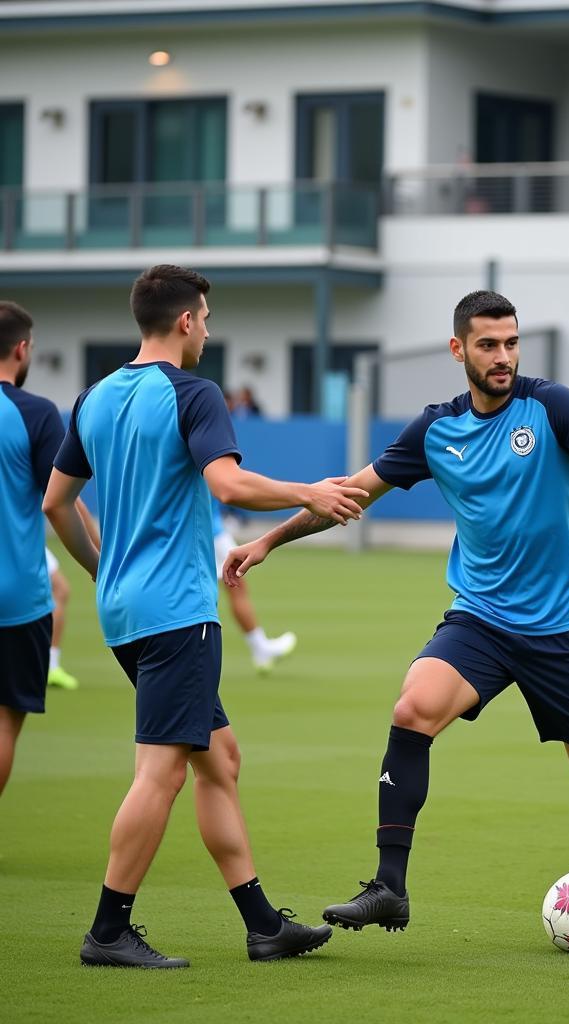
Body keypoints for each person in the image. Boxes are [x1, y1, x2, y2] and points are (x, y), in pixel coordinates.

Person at [224, 290, 569, 949]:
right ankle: (390, 885)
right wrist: (266, 542)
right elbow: (350, 493)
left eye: (511, 343)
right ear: (459, 350)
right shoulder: (435, 430)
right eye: (488, 345)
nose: (503, 356)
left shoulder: (553, 407)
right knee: (412, 708)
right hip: (480, 621)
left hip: (564, 628)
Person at [44, 264, 367, 967]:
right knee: (160, 773)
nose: (209, 332)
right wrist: (307, 493)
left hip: (126, 610)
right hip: (178, 613)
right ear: (187, 321)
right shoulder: (194, 391)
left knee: (218, 760)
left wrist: (104, 570)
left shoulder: (94, 398)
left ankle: (263, 925)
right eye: (207, 319)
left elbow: (57, 505)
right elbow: (228, 482)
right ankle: (107, 931)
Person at [0, 301, 66, 798]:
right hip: (16, 598)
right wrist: (99, 562)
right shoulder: (36, 414)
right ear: (22, 349)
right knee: (4, 721)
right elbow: (58, 501)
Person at [211, 497, 297, 672]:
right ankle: (260, 648)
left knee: (234, 585)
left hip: (205, 526)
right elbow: (229, 488)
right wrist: (305, 495)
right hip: (207, 530)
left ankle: (260, 647)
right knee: (235, 584)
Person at [45, 502, 100, 691]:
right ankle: (50, 666)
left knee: (59, 589)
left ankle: (50, 665)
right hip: (14, 536)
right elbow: (61, 502)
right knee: (59, 589)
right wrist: (102, 557)